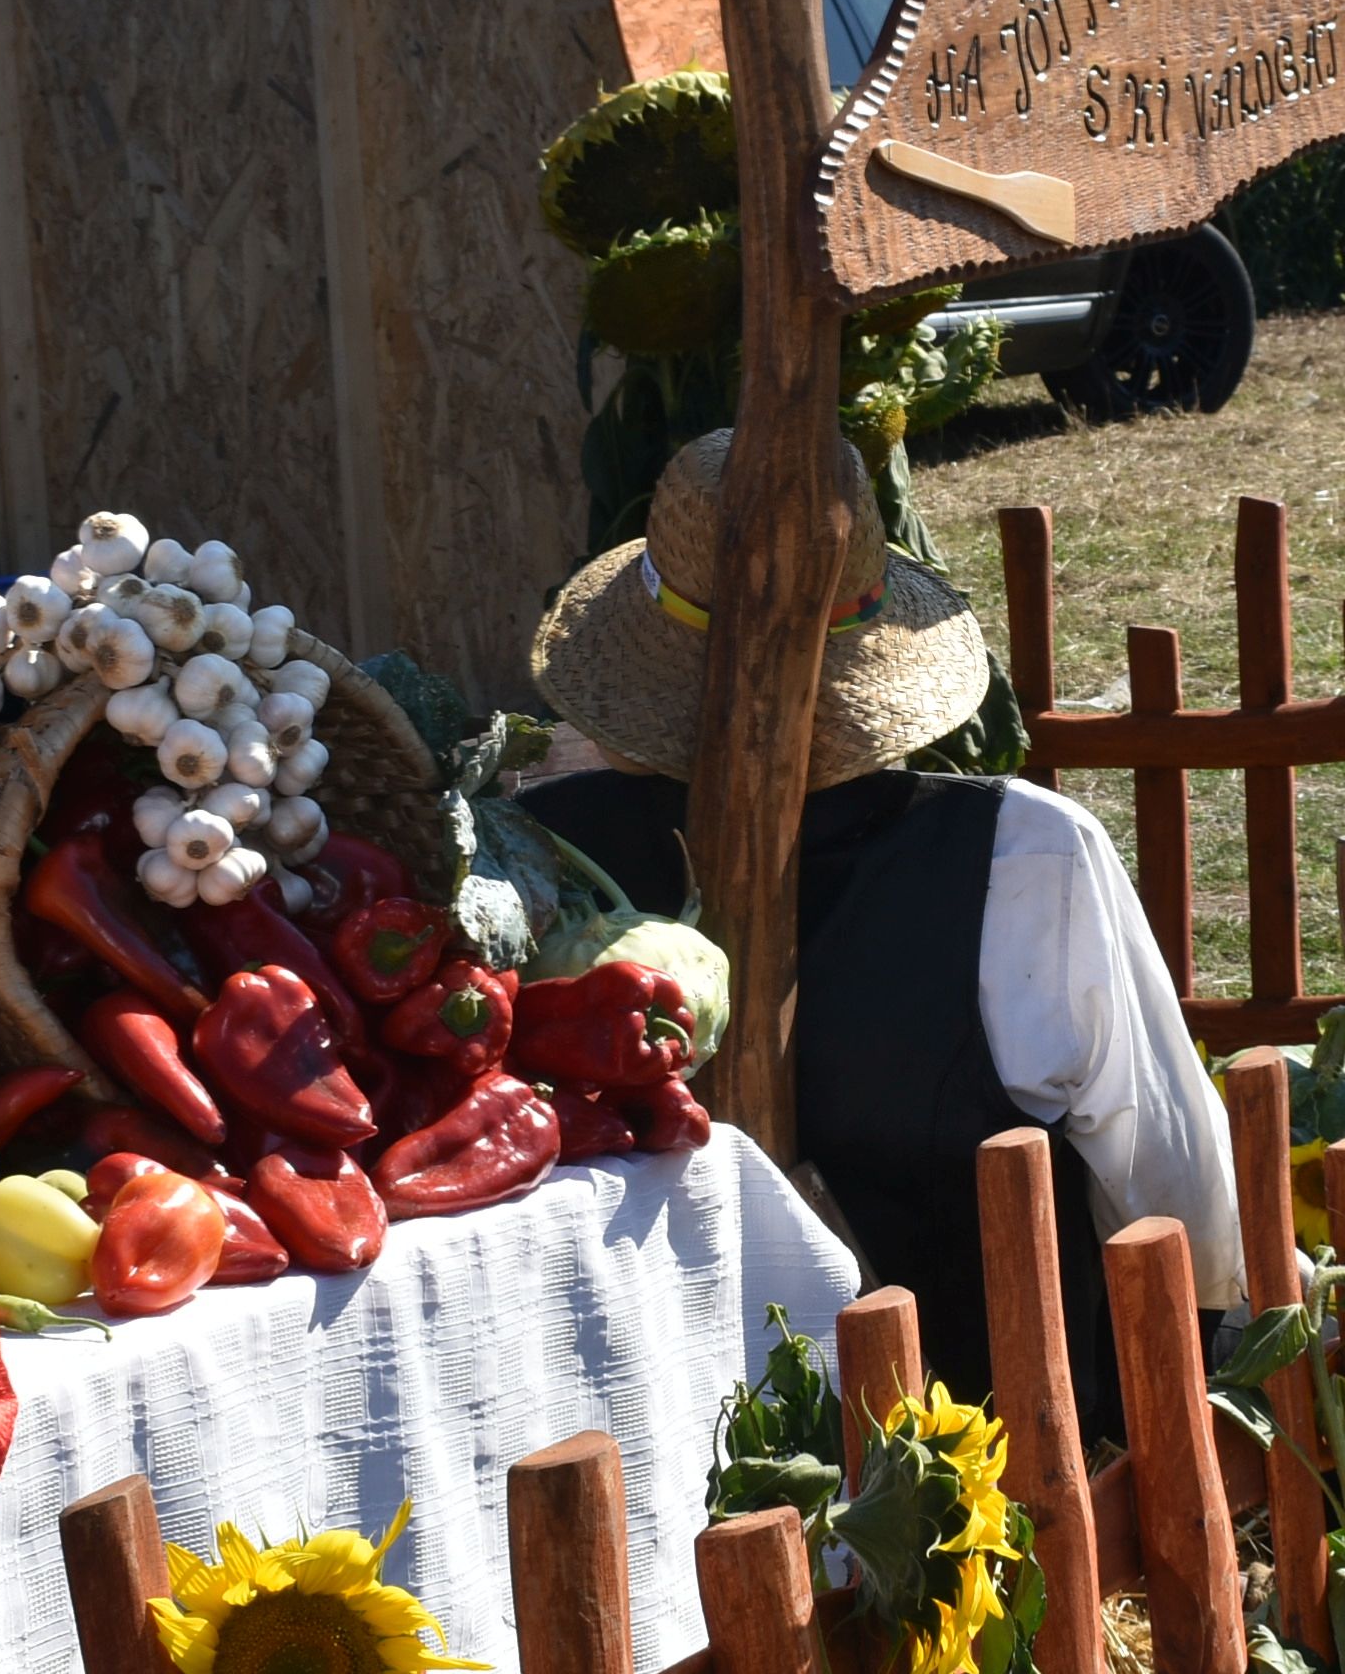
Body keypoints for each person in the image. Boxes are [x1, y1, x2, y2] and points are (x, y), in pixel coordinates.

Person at [521, 426, 1237, 1420]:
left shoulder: (531, 864)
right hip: (981, 1478)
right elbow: (1169, 1186)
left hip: (642, 1458)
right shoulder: (1023, 856)